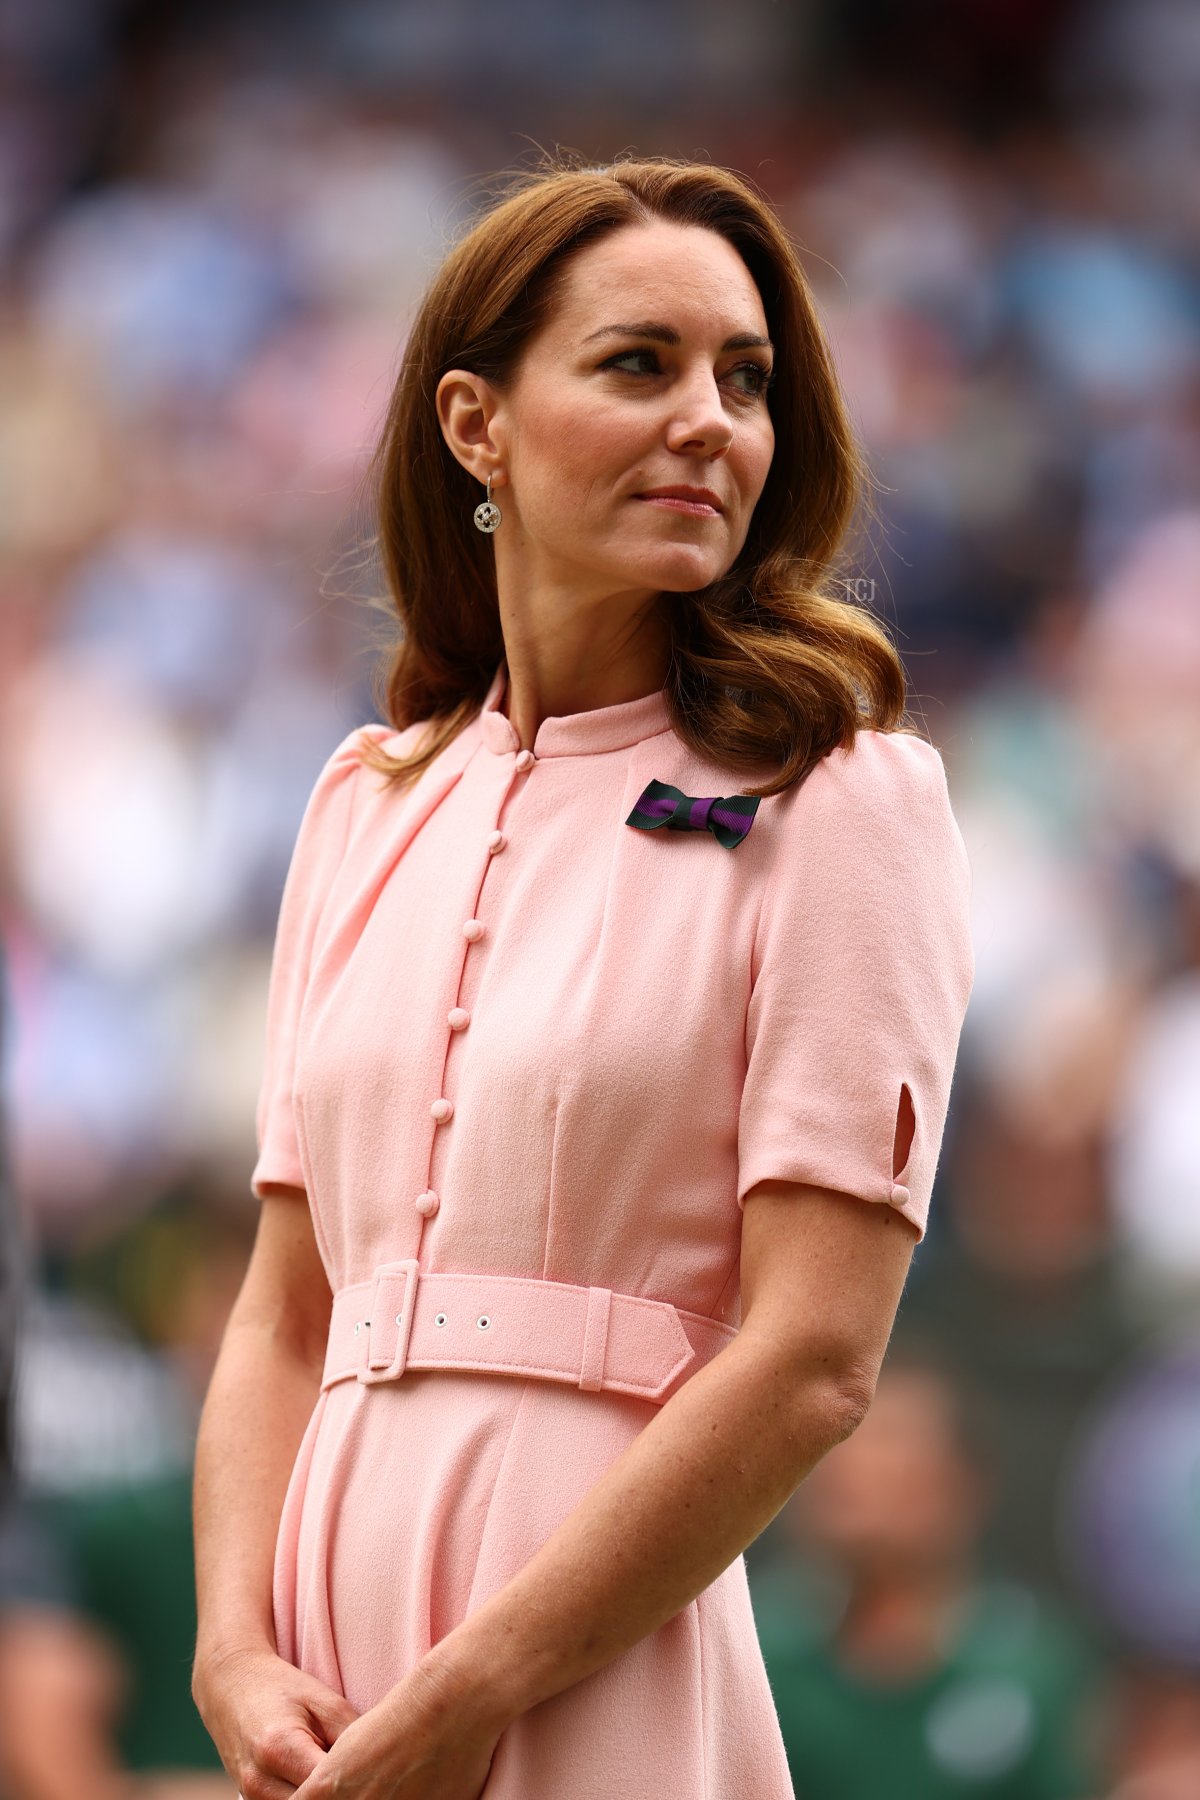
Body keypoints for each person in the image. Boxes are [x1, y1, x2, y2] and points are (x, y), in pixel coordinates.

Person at [190, 154, 976, 1800]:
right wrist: (232, 1650)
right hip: (313, 1668)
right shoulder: (364, 799)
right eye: (642, 363)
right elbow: (284, 1311)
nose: (711, 419)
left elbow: (815, 1361)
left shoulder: (845, 792)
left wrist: (480, 1683)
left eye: (747, 380)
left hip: (594, 1642)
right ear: (476, 425)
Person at [751, 1345, 1107, 1799]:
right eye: (833, 1439)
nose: (848, 1466)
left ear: (964, 1483)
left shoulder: (1035, 1668)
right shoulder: (760, 1652)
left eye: (888, 1437)